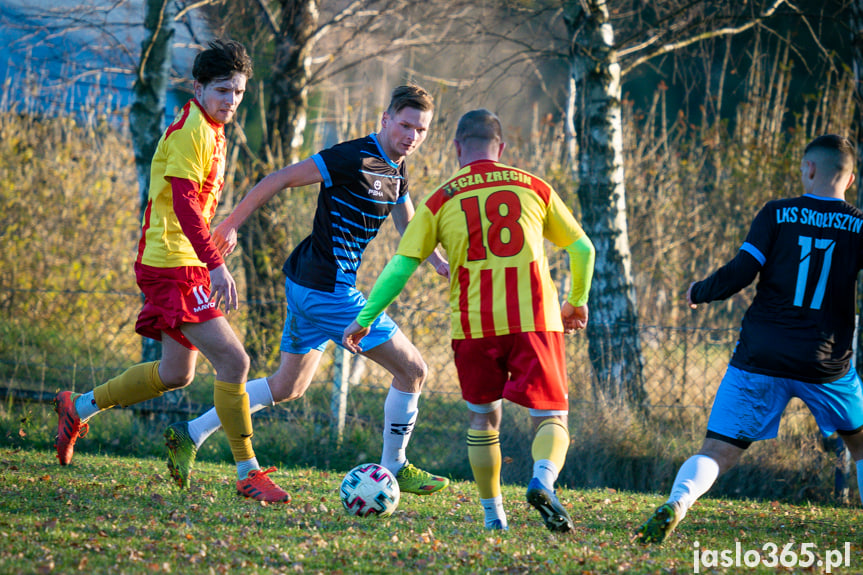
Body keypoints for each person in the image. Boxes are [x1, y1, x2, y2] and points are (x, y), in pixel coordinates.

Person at [162, 84, 451, 497]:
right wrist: (230, 225)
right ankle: (395, 466)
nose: (411, 136)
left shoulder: (397, 169)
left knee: (286, 387)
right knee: (413, 370)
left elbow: (409, 225)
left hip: (307, 285)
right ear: (386, 119)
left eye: (420, 130)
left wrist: (437, 260)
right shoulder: (353, 156)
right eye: (405, 125)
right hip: (326, 291)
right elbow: (278, 179)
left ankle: (189, 433)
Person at [52, 40, 291, 502]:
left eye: (239, 92)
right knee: (235, 361)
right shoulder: (191, 132)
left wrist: (218, 233)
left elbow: (190, 205)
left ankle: (76, 407)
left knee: (176, 374)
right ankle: (248, 472)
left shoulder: (211, 128)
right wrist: (216, 263)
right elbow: (181, 203)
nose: (231, 101)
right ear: (198, 87)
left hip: (181, 261)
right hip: (172, 265)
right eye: (223, 90)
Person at [342, 109, 596, 532]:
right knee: (551, 417)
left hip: (474, 326)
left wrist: (365, 318)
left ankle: (493, 517)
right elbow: (583, 249)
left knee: (483, 419)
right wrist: (576, 302)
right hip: (535, 320)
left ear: (457, 148)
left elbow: (402, 265)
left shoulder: (442, 199)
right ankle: (542, 480)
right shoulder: (534, 186)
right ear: (502, 149)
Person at [637, 134, 863, 544]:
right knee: (861, 443)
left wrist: (700, 291)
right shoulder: (860, 225)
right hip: (825, 363)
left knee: (717, 452)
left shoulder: (777, 214)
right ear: (849, 180)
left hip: (760, 357)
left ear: (810, 169)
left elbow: (743, 271)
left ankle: (677, 503)